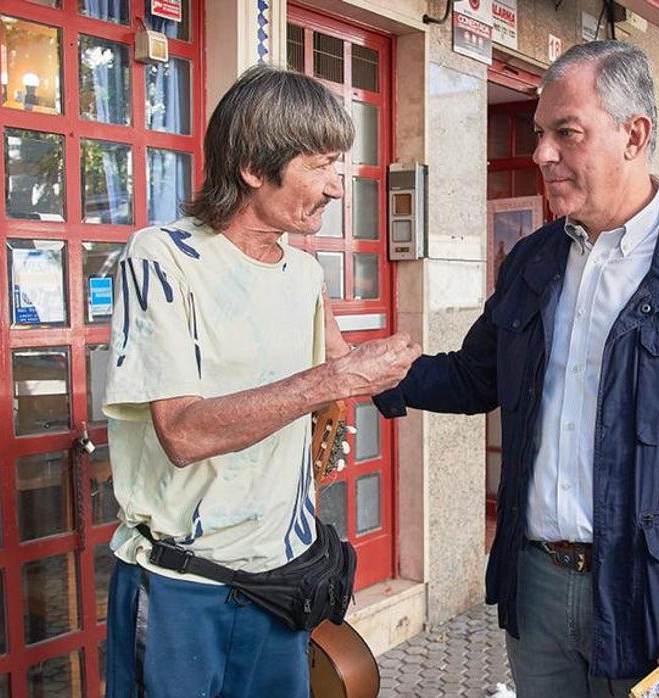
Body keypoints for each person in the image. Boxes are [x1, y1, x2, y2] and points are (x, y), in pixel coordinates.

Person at [374, 41, 659, 697]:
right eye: (541, 134)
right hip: (537, 586)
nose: (543, 153)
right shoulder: (533, 260)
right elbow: (475, 376)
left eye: (566, 133)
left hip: (657, 596)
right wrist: (374, 374)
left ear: (635, 134)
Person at [101, 66, 420, 698]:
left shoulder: (304, 274)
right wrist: (336, 378)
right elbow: (183, 433)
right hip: (182, 586)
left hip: (283, 583)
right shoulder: (160, 257)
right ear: (253, 166)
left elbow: (338, 387)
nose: (337, 186)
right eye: (321, 164)